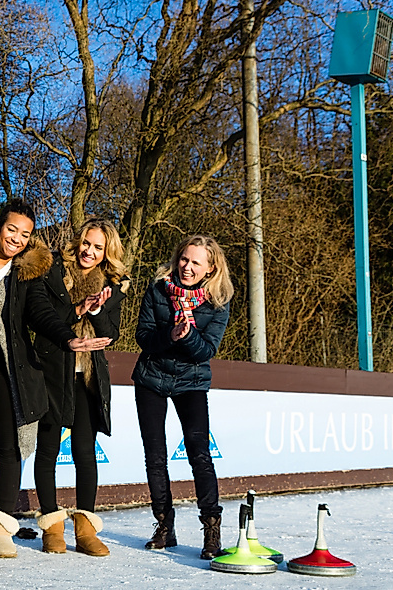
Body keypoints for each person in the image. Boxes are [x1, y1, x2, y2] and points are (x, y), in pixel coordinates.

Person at [0, 199, 110, 559]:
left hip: (9, 365)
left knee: (10, 448)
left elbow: (41, 313)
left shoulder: (24, 273)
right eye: (12, 229)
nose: (16, 238)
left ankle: (2, 530)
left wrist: (67, 337)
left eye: (25, 234)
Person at [132, 234, 233, 560]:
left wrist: (186, 337)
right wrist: (169, 335)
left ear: (210, 267)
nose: (187, 267)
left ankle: (211, 527)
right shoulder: (158, 288)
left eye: (196, 263)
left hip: (191, 382)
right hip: (150, 379)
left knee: (199, 453)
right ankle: (164, 525)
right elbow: (143, 336)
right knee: (155, 456)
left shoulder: (218, 301)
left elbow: (206, 350)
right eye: (184, 259)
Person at [33, 218, 128, 556]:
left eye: (97, 247)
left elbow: (111, 333)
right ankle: (52, 528)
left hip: (88, 378)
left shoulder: (112, 285)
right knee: (47, 450)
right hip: (52, 371)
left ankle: (86, 530)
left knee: (85, 453)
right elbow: (42, 316)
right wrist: (76, 310)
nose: (89, 251)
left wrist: (98, 308)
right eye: (86, 243)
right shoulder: (55, 269)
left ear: (107, 253)